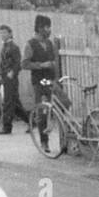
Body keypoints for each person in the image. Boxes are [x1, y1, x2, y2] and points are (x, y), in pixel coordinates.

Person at [22, 15, 59, 146]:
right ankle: (44, 142)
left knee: (64, 103)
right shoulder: (30, 44)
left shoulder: (49, 43)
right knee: (42, 111)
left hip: (51, 80)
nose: (49, 30)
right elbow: (24, 64)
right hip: (40, 81)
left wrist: (54, 71)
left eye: (50, 27)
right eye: (47, 27)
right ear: (39, 28)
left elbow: (54, 61)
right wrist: (41, 65)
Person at [0, 24, 29, 134]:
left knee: (8, 102)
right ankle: (32, 122)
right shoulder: (4, 46)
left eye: (4, 32)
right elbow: (2, 63)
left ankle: (7, 127)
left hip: (11, 78)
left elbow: (18, 64)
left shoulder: (14, 47)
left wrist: (12, 73)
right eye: (1, 33)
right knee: (15, 103)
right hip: (5, 77)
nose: (2, 35)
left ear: (10, 33)